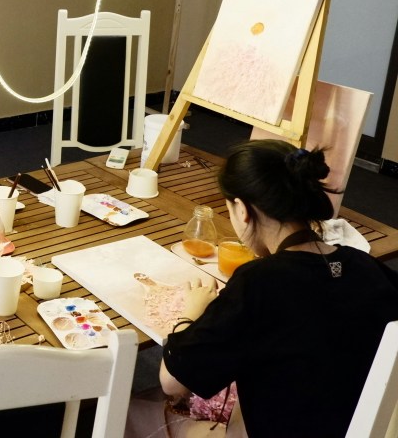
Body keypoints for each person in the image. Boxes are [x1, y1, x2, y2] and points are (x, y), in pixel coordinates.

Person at [160, 140, 398, 438]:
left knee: (139, 412)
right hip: (366, 426)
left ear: (242, 210)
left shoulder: (258, 282)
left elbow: (172, 382)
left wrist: (189, 314)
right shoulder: (366, 266)